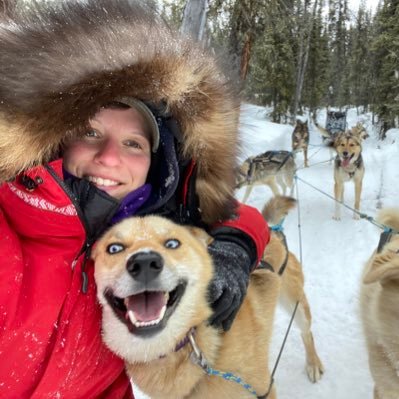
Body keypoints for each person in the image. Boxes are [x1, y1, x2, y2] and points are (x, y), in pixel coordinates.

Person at [0, 1, 270, 398]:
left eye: (133, 143)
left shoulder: (145, 226)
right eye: (90, 133)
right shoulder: (12, 232)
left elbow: (223, 214)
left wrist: (235, 242)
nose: (109, 158)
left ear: (156, 168)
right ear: (53, 140)